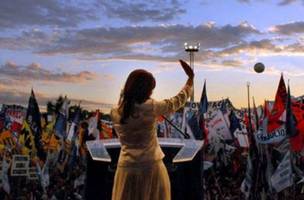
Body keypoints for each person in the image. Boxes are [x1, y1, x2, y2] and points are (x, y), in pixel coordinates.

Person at [110, 60, 194, 200]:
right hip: (151, 169)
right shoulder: (151, 107)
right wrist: (190, 80)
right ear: (145, 89)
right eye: (151, 89)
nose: (151, 92)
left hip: (126, 170)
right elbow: (177, 101)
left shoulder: (114, 112)